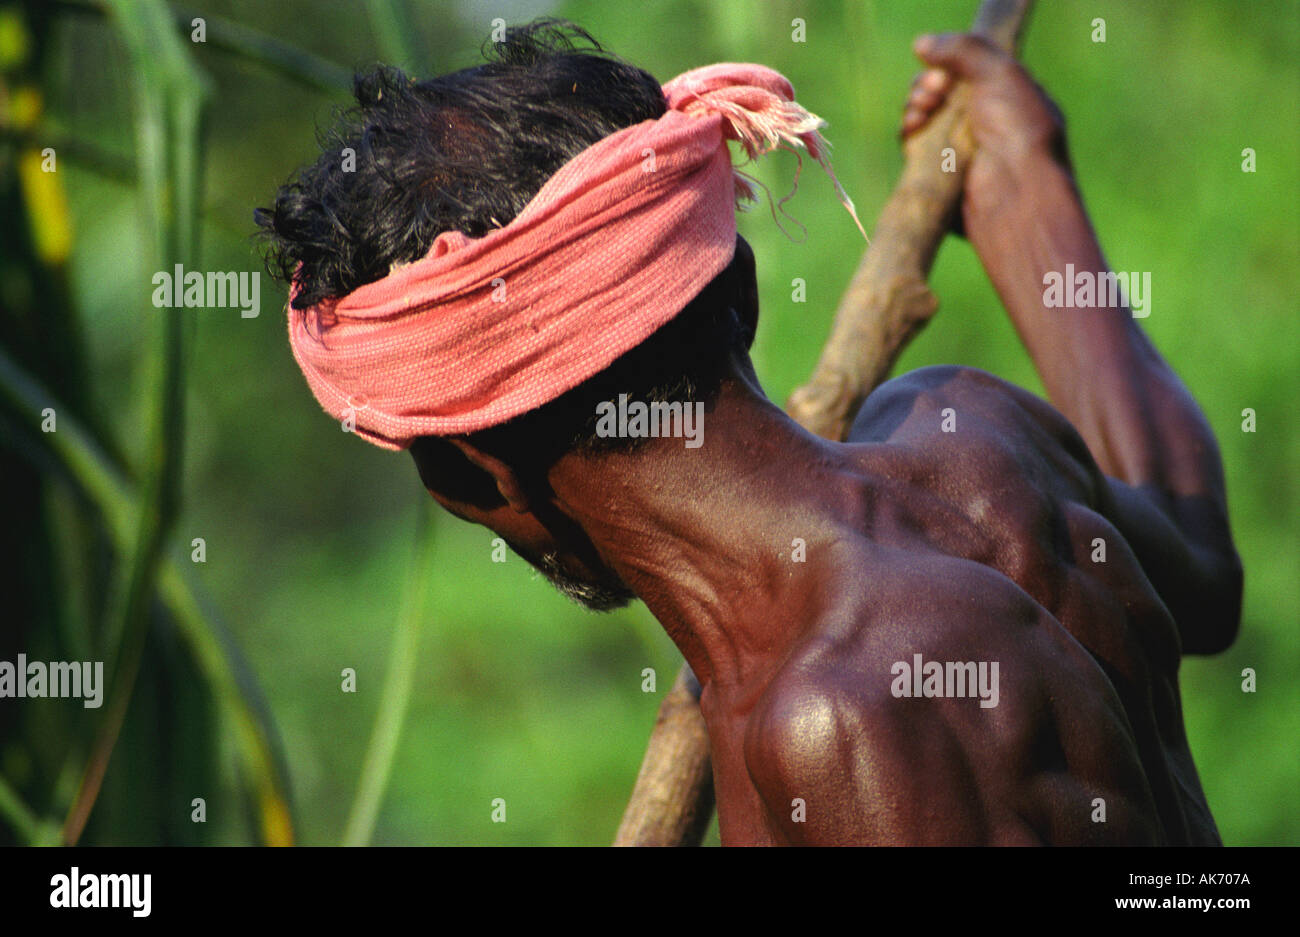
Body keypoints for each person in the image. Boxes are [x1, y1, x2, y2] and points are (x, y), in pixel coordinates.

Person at [257, 21, 1241, 845]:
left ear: (469, 476)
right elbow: (1196, 567)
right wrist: (1029, 189)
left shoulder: (842, 723)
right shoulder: (973, 434)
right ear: (740, 282)